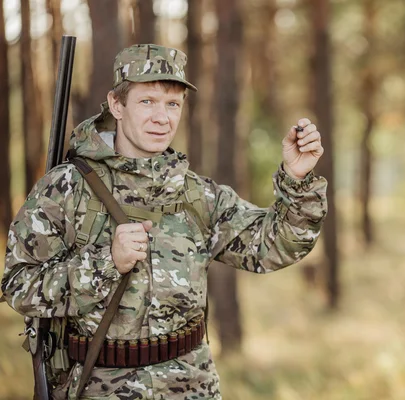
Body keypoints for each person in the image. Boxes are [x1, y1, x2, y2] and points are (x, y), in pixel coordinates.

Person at [2, 44, 327, 399]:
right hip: (98, 388)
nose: (162, 117)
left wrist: (298, 181)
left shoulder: (195, 194)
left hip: (192, 388)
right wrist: (105, 263)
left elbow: (275, 245)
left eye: (172, 104)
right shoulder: (67, 188)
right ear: (117, 105)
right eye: (147, 101)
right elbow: (18, 285)